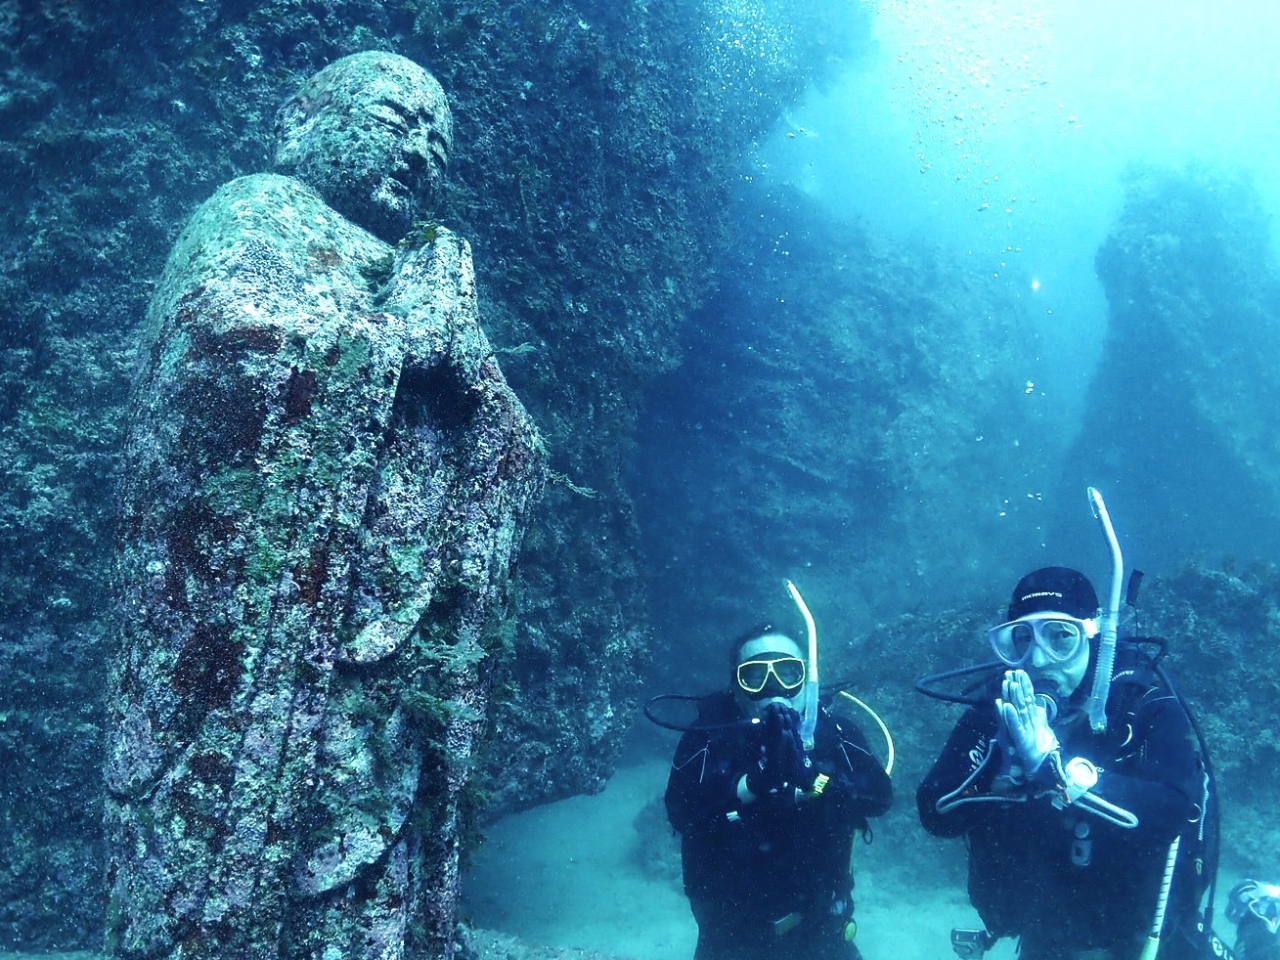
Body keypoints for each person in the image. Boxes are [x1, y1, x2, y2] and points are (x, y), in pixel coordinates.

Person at [917, 566, 1213, 960]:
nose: (1038, 659)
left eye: (1061, 637)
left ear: (1094, 637)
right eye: (1022, 639)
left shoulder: (1142, 704)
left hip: (1147, 935)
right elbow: (935, 815)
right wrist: (994, 764)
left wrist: (1055, 770)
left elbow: (1176, 807)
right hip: (1047, 933)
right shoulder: (997, 710)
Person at [666, 626, 893, 960]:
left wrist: (813, 779)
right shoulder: (707, 738)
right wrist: (752, 785)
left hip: (824, 931)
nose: (774, 688)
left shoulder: (837, 733)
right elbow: (680, 812)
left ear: (808, 681)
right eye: (755, 676)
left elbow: (879, 797)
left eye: (788, 673)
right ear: (736, 688)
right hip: (731, 939)